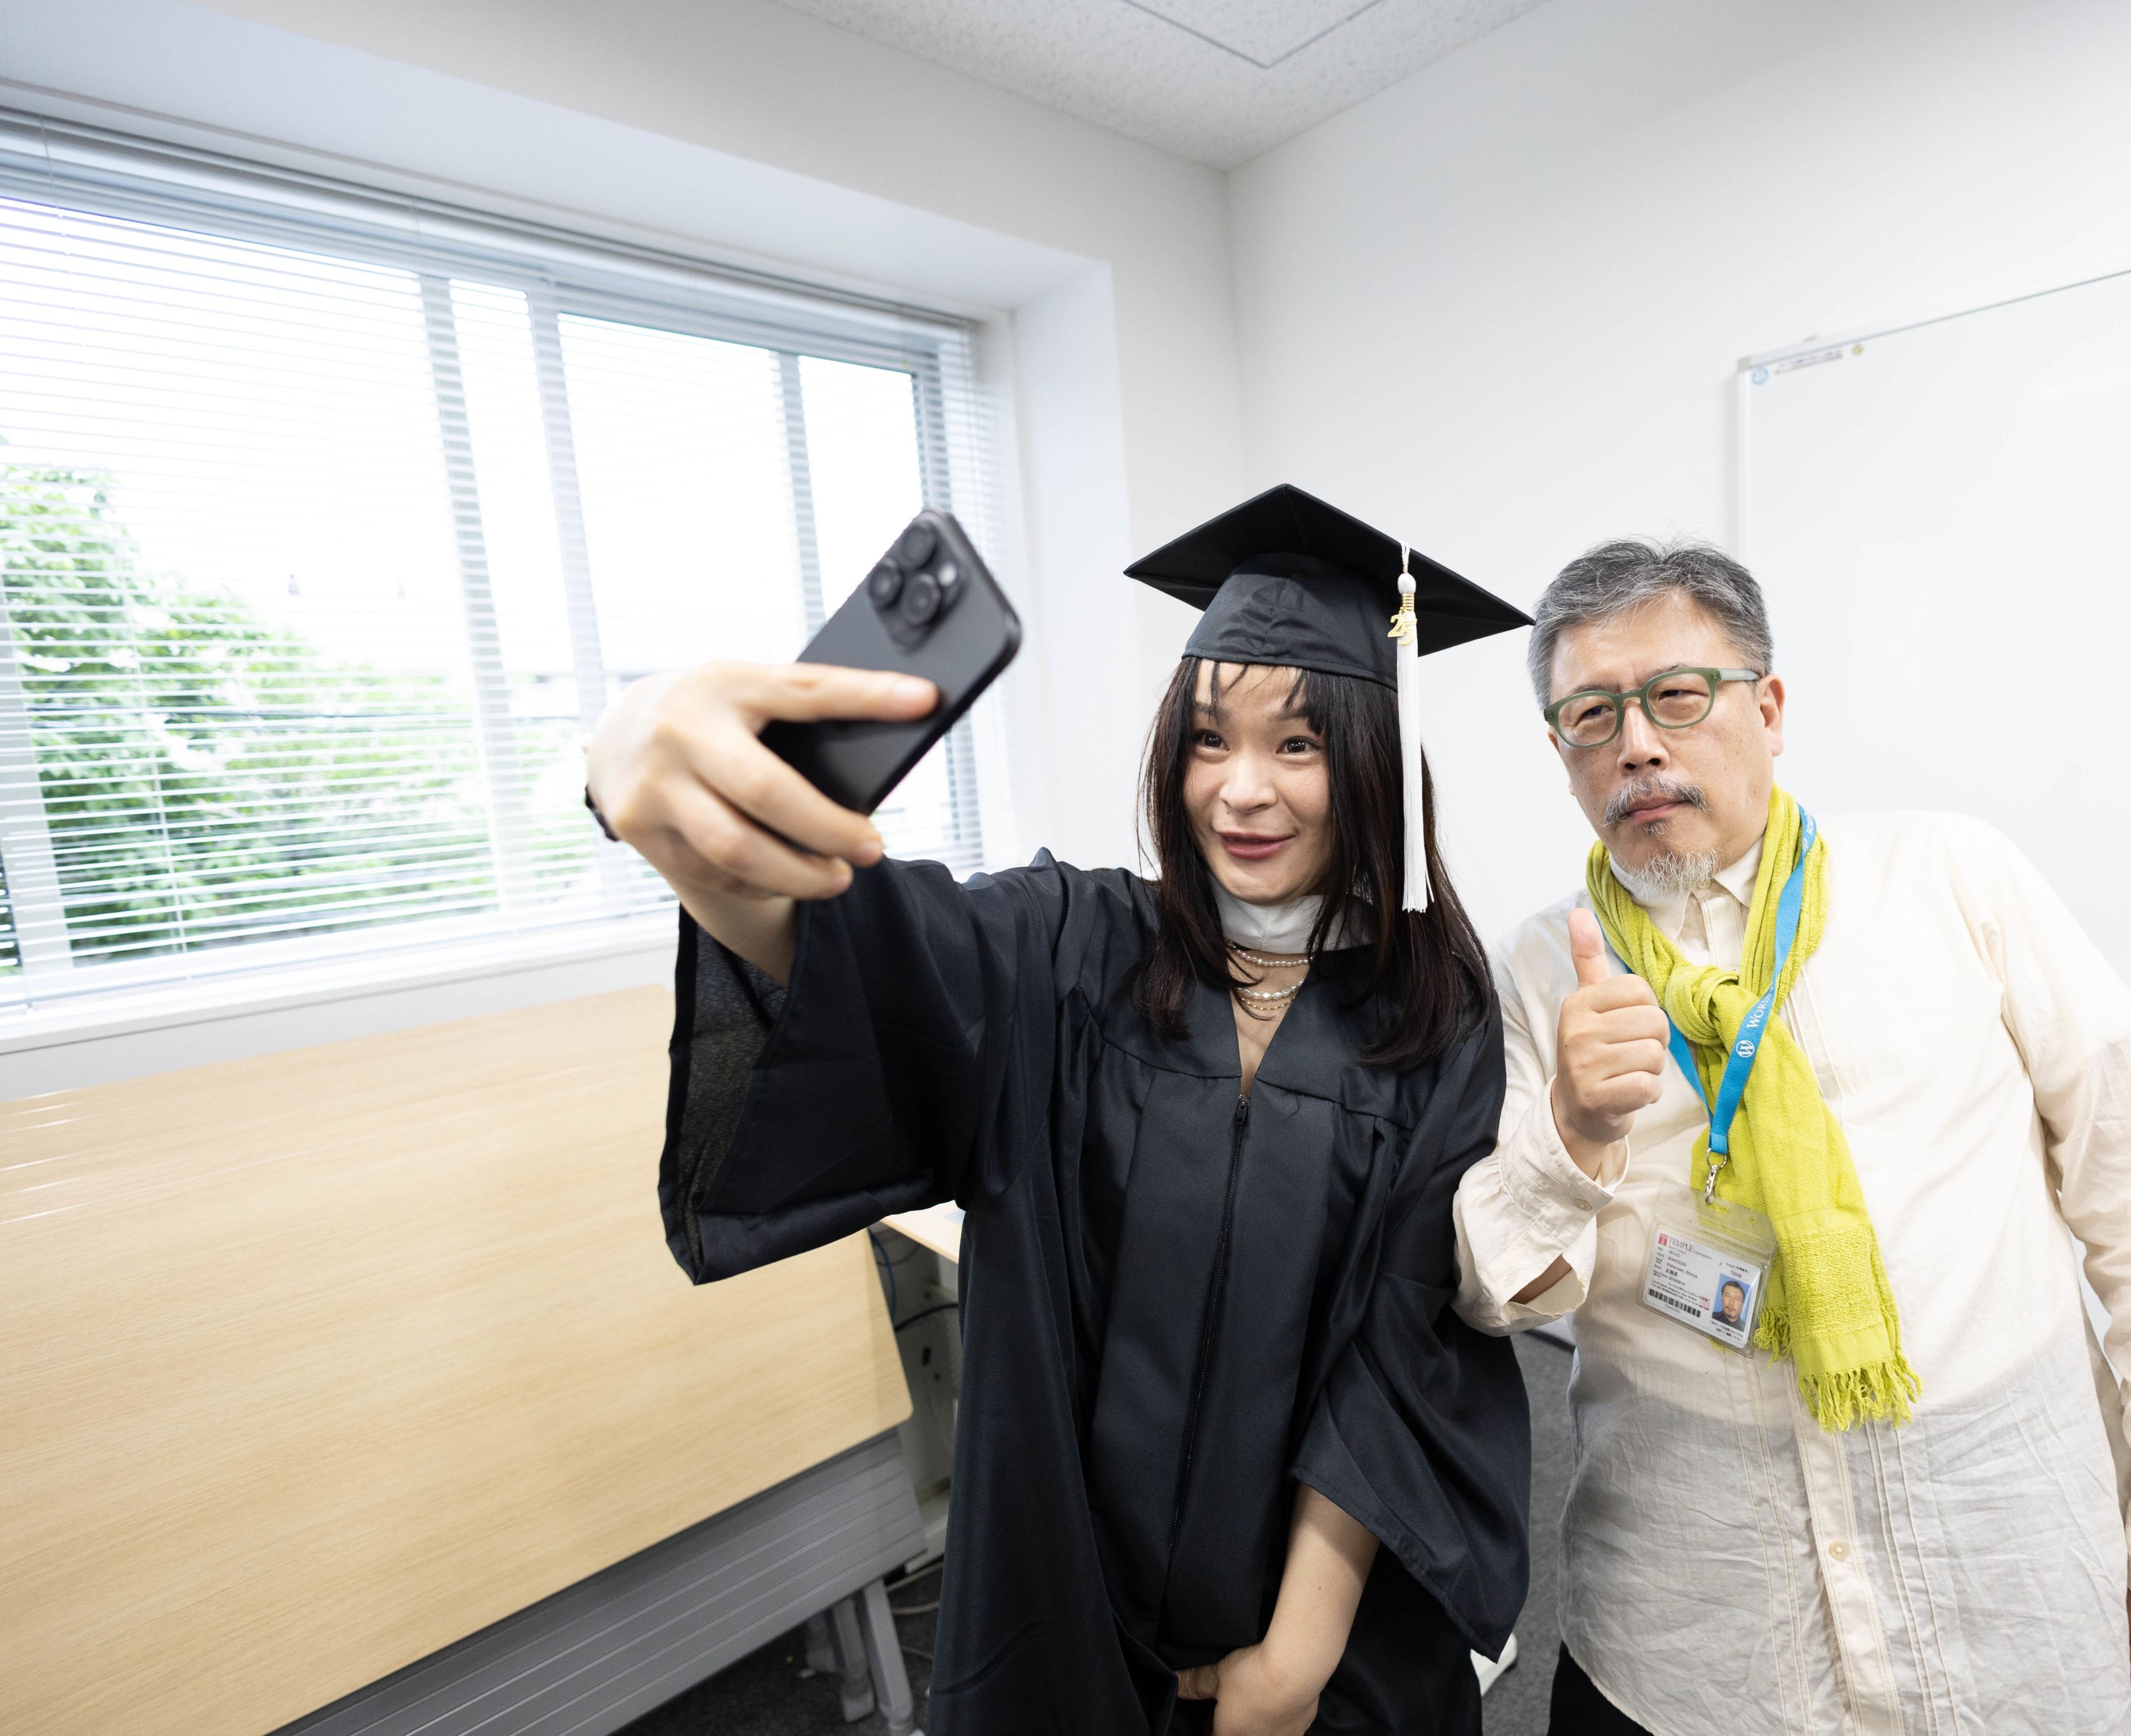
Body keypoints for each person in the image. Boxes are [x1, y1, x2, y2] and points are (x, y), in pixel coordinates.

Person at [586, 485, 1535, 1735]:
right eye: (1206, 740)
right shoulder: (1069, 946)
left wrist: (1291, 1660)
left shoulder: (1438, 1007)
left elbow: (1404, 1339)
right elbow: (855, 955)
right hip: (1073, 1611)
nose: (1240, 790)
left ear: (1366, 760)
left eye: (1296, 744)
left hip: (1330, 1646)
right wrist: (670, 805)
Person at [1454, 540, 2131, 1736]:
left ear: (1771, 707)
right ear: (1563, 756)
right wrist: (1575, 1133)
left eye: (1678, 696)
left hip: (2003, 1592)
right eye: (1592, 715)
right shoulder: (1539, 967)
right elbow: (1501, 1293)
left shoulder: (1952, 878)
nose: (1637, 743)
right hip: (1692, 1639)